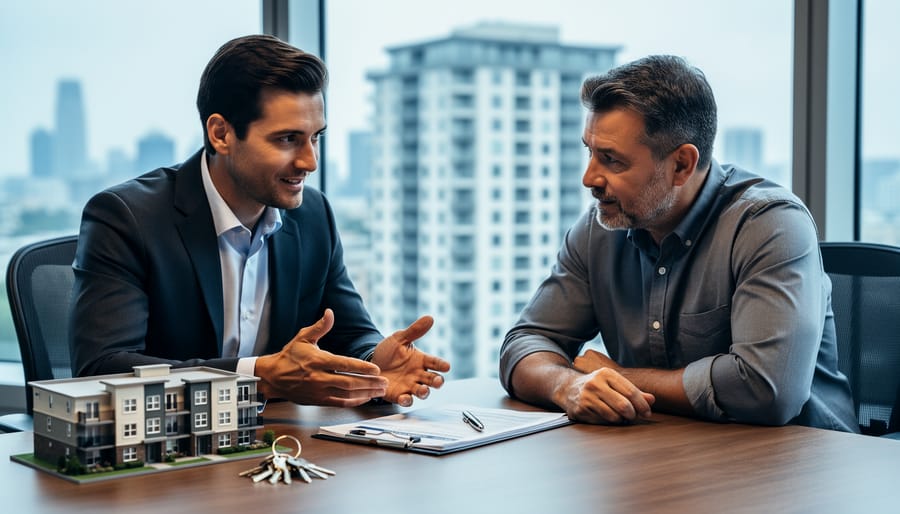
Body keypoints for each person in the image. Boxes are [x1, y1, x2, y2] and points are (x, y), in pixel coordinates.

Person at [69, 34, 450, 408]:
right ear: (221, 134)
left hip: (276, 447)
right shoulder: (127, 218)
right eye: (287, 139)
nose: (309, 162)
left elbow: (350, 332)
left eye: (315, 137)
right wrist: (260, 377)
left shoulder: (313, 216)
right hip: (163, 456)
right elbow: (103, 371)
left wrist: (372, 363)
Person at [499, 55, 858, 432]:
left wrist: (622, 377)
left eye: (611, 160)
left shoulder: (769, 225)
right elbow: (525, 342)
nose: (589, 177)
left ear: (682, 165)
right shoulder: (599, 229)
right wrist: (567, 384)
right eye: (589, 152)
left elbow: (767, 390)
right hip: (674, 457)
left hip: (804, 464)